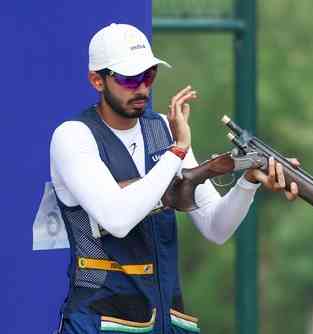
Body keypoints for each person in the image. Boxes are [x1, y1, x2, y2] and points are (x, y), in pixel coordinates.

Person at [50, 23, 299, 334]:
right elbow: (117, 218)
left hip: (169, 320)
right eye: (129, 78)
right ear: (97, 80)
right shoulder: (73, 136)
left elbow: (216, 227)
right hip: (100, 323)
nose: (142, 87)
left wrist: (247, 181)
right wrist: (178, 151)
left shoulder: (164, 130)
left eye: (149, 75)